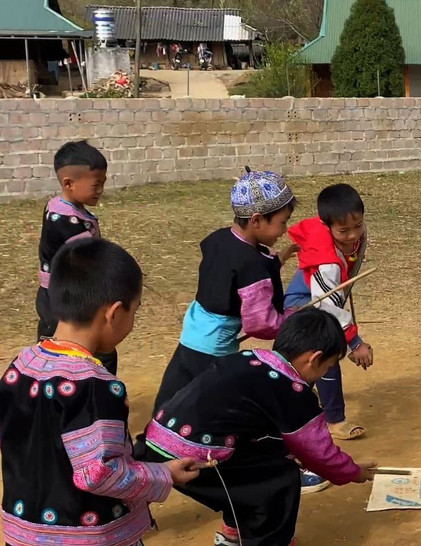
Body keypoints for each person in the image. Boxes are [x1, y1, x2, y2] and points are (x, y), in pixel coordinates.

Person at [0, 239, 199, 546]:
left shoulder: (20, 367)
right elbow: (99, 473)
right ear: (115, 313)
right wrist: (164, 474)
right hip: (90, 538)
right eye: (135, 310)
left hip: (23, 532)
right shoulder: (95, 387)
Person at [137, 308, 376, 546]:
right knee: (278, 481)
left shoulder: (249, 359)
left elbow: (265, 432)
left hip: (156, 442)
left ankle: (234, 533)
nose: (325, 373)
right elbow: (318, 453)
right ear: (314, 358)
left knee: (263, 461)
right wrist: (351, 472)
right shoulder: (292, 390)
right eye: (328, 367)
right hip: (193, 458)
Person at [151, 169, 297, 411]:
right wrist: (291, 317)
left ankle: (155, 433)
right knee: (203, 409)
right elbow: (260, 323)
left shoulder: (218, 239)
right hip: (213, 352)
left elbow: (232, 274)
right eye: (282, 222)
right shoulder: (252, 265)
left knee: (171, 402)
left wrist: (277, 260)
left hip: (191, 339)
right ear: (256, 220)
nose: (284, 230)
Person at [284, 183, 372, 441]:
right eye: (344, 231)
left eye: (358, 226)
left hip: (321, 303)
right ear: (327, 226)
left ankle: (295, 404)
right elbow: (327, 307)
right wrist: (355, 343)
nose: (353, 235)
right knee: (326, 357)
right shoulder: (327, 264)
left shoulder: (352, 236)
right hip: (303, 307)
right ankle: (334, 420)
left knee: (306, 366)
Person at [37, 140, 119, 374]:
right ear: (68, 183)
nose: (100, 190)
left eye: (103, 183)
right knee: (88, 351)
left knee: (56, 348)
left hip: (60, 293)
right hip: (64, 298)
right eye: (96, 184)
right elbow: (91, 260)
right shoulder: (67, 222)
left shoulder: (58, 206)